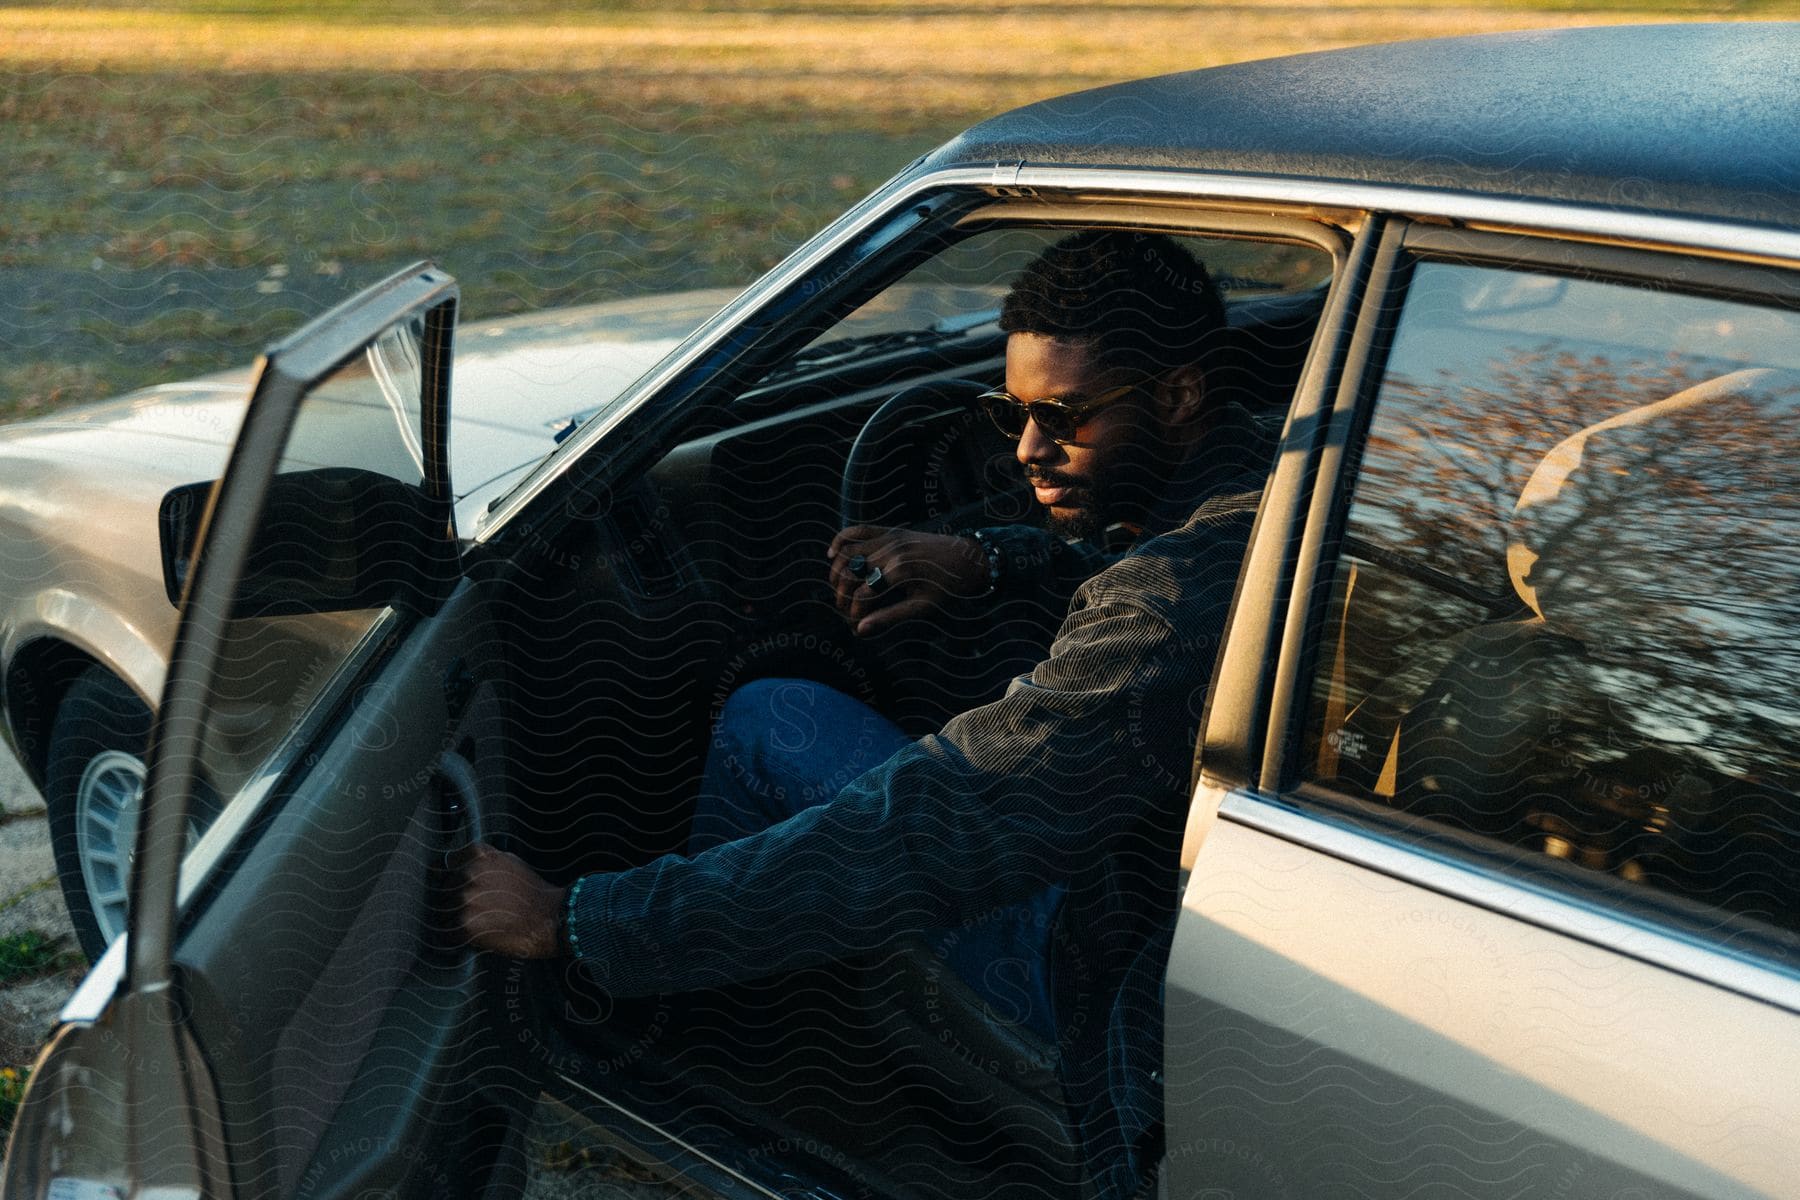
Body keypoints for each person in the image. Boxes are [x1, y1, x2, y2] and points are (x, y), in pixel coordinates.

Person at [461, 230, 1266, 1199]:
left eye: (1063, 418)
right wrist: (992, 557)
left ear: (1177, 395)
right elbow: (1156, 569)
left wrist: (580, 920)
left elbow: (935, 826)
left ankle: (724, 1056)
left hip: (1121, 974)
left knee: (771, 719)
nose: (1027, 452)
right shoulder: (1270, 479)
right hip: (1201, 925)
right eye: (1009, 413)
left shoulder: (1169, 607)